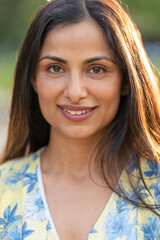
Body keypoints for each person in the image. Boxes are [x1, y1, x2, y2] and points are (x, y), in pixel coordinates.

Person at [0, 0, 160, 239]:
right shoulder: (4, 186)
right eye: (55, 68)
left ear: (126, 81)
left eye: (97, 69)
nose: (75, 92)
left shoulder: (156, 188)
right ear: (33, 78)